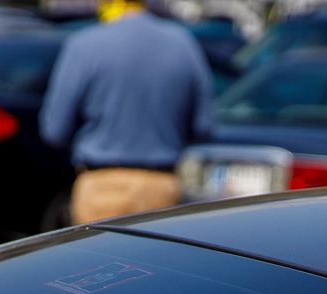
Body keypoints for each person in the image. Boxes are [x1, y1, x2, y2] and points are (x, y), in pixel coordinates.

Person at [39, 0, 214, 224]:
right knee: (153, 259)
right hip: (160, 187)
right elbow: (204, 126)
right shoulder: (182, 43)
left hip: (100, 186)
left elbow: (55, 130)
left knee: (97, 258)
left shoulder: (84, 44)